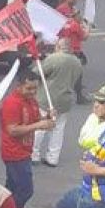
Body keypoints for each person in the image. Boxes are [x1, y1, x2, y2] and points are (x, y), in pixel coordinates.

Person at [0, 68, 56, 208]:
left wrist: (46, 119)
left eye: (35, 89)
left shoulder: (31, 101)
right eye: (29, 88)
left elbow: (34, 120)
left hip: (25, 151)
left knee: (11, 189)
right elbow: (13, 130)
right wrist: (39, 125)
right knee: (25, 190)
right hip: (14, 153)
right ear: (19, 86)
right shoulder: (11, 103)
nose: (33, 92)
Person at [34, 40, 84, 168]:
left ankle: (34, 154)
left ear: (58, 46)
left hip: (47, 97)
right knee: (58, 129)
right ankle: (53, 157)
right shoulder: (77, 62)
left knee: (40, 126)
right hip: (65, 99)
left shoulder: (54, 58)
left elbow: (36, 73)